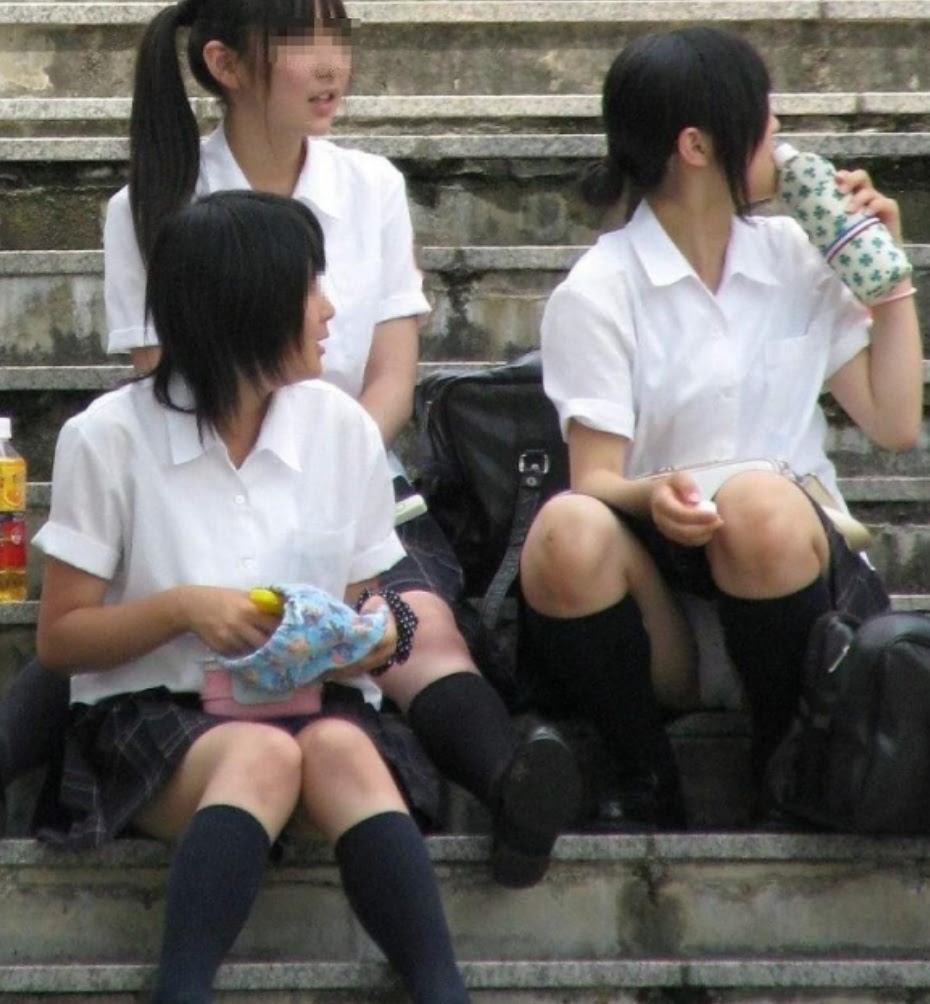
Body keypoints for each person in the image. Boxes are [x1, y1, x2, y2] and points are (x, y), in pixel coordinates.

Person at [0, 0, 582, 887]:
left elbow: (391, 377)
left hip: (352, 470)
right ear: (226, 64)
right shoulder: (151, 201)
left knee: (414, 626)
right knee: (119, 626)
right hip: (196, 474)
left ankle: (511, 785)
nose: (330, 65)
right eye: (301, 43)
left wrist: (332, 459)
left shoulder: (370, 188)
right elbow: (170, 383)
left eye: (336, 38)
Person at [32, 190, 470, 1003]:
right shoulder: (107, 437)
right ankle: (182, 990)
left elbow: (364, 601)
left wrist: (375, 637)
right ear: (246, 305)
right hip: (153, 717)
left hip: (308, 703)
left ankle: (441, 989)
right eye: (309, 289)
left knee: (339, 747)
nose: (329, 311)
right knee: (263, 755)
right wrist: (182, 609)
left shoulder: (339, 428)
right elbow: (60, 640)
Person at [518, 26, 923, 829]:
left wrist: (888, 276)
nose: (780, 141)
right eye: (763, 123)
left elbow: (893, 420)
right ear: (697, 146)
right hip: (664, 600)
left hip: (793, 582)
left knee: (758, 502)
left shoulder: (795, 254)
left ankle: (784, 768)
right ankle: (644, 776)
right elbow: (594, 477)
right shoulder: (599, 289)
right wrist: (652, 497)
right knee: (564, 526)